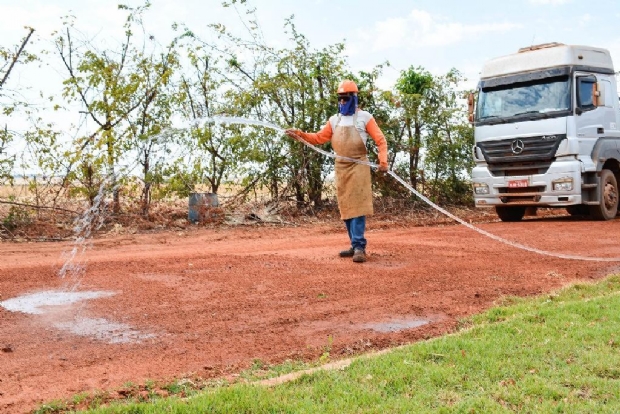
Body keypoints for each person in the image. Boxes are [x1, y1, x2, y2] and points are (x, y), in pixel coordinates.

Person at [285, 80, 389, 263]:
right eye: (340, 99)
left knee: (357, 207)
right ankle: (353, 244)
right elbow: (318, 138)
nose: (342, 102)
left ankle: (359, 247)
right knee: (346, 208)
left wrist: (383, 161)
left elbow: (381, 140)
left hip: (358, 166)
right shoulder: (335, 120)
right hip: (341, 167)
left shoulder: (365, 117)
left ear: (353, 98)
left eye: (345, 98)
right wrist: (300, 134)